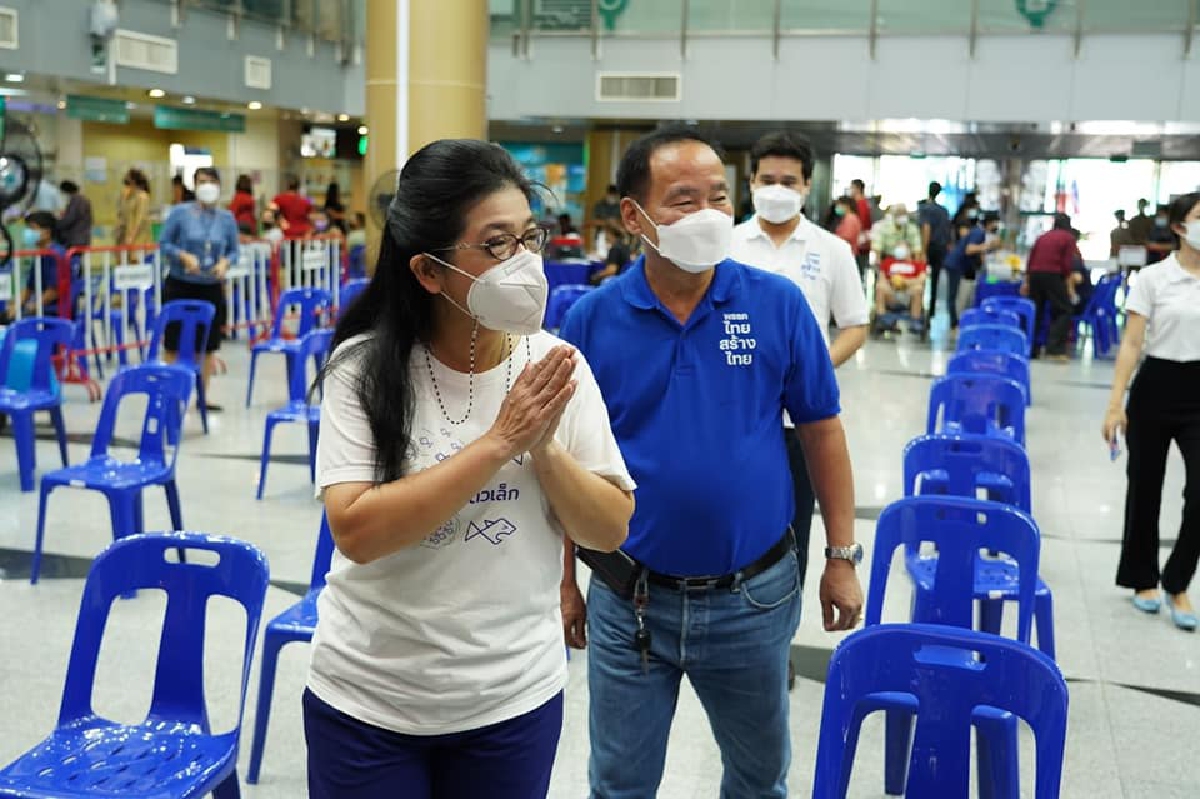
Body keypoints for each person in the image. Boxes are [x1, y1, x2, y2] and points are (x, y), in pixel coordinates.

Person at [307, 138, 635, 799]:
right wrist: (497, 443)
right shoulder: (364, 369)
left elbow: (610, 528)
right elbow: (357, 531)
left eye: (530, 238)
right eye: (496, 244)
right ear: (428, 272)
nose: (525, 263)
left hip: (509, 701)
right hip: (369, 701)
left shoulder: (558, 366)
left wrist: (543, 446)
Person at [558, 126, 863, 799]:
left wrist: (842, 554)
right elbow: (565, 465)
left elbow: (822, 430)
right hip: (626, 595)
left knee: (758, 781)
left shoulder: (776, 304)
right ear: (634, 216)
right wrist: (564, 582)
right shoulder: (593, 318)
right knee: (619, 783)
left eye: (718, 197)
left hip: (751, 596)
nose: (708, 214)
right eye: (682, 199)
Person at [731, 130, 868, 594]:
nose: (777, 189)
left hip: (801, 418)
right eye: (767, 179)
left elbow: (855, 324)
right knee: (729, 520)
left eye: (789, 181)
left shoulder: (831, 250)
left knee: (792, 533)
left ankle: (778, 640)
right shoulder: (726, 246)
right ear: (749, 182)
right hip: (732, 413)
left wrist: (815, 365)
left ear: (807, 186)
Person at [1103, 191, 1200, 632]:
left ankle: (1177, 582)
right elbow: (1132, 343)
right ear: (1180, 226)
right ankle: (1142, 577)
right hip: (1156, 385)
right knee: (1145, 487)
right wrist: (1114, 403)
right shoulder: (1154, 279)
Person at [157, 167, 240, 410]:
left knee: (207, 345)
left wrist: (225, 262)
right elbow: (164, 244)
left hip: (211, 287)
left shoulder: (226, 219)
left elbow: (234, 250)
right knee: (174, 342)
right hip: (181, 285)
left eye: (212, 181)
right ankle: (172, 395)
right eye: (202, 181)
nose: (207, 186)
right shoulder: (180, 214)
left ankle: (202, 397)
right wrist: (182, 256)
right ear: (194, 185)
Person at [1023, 213, 1080, 362]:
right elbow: (1067, 264)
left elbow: (1031, 260)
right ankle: (1054, 349)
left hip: (1035, 275)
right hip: (1053, 274)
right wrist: (1069, 286)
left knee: (1036, 311)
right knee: (1064, 310)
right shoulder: (1068, 238)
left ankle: (1031, 349)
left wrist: (1027, 282)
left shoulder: (1043, 236)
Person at [1, 212, 67, 322]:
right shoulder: (40, 255)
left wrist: (32, 307)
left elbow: (53, 292)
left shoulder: (56, 254)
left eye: (33, 229)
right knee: (5, 316)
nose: (28, 233)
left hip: (53, 308)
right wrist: (15, 307)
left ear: (46, 232)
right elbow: (28, 289)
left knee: (13, 320)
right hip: (39, 305)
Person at [943, 210, 1002, 329]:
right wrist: (988, 246)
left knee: (955, 294)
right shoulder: (978, 232)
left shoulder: (979, 232)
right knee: (954, 294)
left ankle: (955, 321)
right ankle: (954, 322)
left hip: (958, 265)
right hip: (955, 264)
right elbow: (969, 249)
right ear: (990, 223)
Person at [871, 203, 926, 329]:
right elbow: (878, 252)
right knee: (880, 287)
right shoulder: (883, 228)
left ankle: (915, 320)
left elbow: (921, 276)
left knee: (918, 289)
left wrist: (905, 280)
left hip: (909, 286)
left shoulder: (911, 230)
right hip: (890, 284)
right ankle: (882, 319)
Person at [919, 182, 952, 321]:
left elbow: (926, 229)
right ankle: (931, 309)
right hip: (941, 248)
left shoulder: (925, 209)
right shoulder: (944, 211)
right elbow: (948, 231)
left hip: (930, 247)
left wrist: (923, 251)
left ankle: (919, 307)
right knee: (935, 280)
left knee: (921, 277)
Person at [115, 168, 152, 247]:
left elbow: (140, 219)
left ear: (133, 182)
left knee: (137, 257)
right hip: (128, 241)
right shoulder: (130, 197)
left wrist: (132, 236)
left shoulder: (142, 197)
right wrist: (123, 199)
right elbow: (122, 215)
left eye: (128, 183)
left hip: (140, 241)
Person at [848, 178, 873, 277]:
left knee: (858, 273)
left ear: (857, 189)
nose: (850, 190)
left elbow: (860, 224)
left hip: (860, 245)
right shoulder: (859, 203)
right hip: (858, 243)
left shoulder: (861, 204)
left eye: (852, 188)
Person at [57, 180, 93, 249]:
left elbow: (70, 218)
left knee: (74, 258)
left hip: (75, 238)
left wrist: (57, 224)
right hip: (82, 237)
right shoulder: (83, 199)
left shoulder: (76, 200)